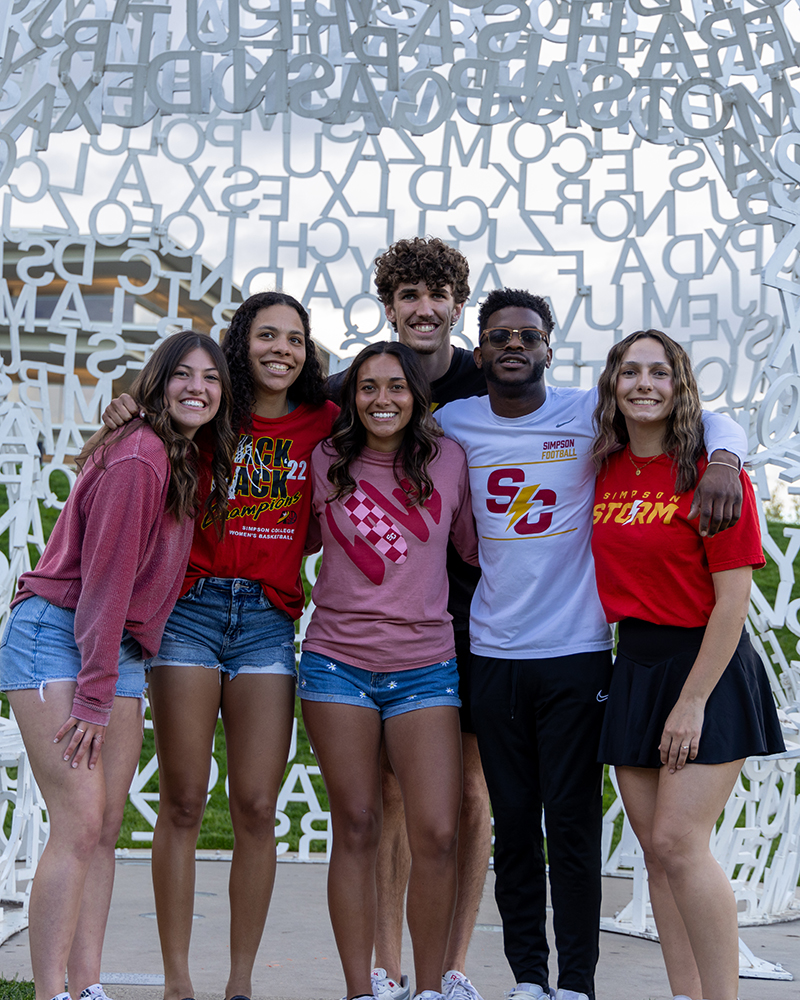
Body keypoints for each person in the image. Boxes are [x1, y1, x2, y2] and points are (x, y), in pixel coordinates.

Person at [437, 288, 748, 1000]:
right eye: (500, 337)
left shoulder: (587, 413)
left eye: (528, 336)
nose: (514, 346)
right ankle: (529, 978)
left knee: (573, 827)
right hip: (494, 651)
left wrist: (725, 457)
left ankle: (577, 981)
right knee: (515, 829)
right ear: (478, 349)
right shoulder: (454, 422)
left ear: (549, 347)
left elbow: (703, 411)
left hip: (579, 653)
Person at [101, 292, 337, 1000]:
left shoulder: (326, 419)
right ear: (243, 342)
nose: (281, 350)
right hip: (191, 613)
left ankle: (240, 983)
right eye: (267, 335)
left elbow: (399, 407)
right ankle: (178, 982)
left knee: (258, 804)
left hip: (267, 619)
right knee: (181, 798)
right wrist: (120, 404)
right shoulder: (211, 408)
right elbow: (152, 407)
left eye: (294, 339)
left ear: (307, 351)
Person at [0, 331, 234, 1000]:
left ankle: (88, 984)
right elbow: (102, 584)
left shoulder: (174, 453)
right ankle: (51, 993)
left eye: (210, 378)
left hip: (114, 647)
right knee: (78, 827)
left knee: (104, 830)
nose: (197, 387)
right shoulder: (141, 457)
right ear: (155, 385)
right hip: (60, 638)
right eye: (181, 375)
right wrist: (96, 698)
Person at [590, 329, 784, 1000]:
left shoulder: (713, 475)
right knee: (655, 853)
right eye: (630, 371)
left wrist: (693, 700)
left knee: (678, 842)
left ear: (680, 387)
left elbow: (733, 604)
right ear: (613, 383)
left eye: (660, 373)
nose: (644, 384)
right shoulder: (602, 466)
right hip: (635, 663)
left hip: (706, 665)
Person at [329, 237, 491, 1000]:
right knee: (377, 806)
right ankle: (384, 970)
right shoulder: (345, 393)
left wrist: (723, 447)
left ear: (458, 303)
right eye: (408, 296)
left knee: (464, 802)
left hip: (466, 625)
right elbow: (236, 396)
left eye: (437, 295)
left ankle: (449, 970)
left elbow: (604, 416)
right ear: (388, 306)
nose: (423, 308)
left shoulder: (491, 377)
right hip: (358, 636)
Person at [299, 341, 479, 1000]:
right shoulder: (325, 461)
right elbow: (288, 533)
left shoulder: (450, 459)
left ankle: (428, 988)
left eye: (396, 386)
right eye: (368, 387)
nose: (382, 399)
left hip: (427, 666)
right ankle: (360, 989)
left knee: (435, 831)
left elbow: (474, 551)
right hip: (336, 665)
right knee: (358, 826)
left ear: (418, 395)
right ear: (351, 397)